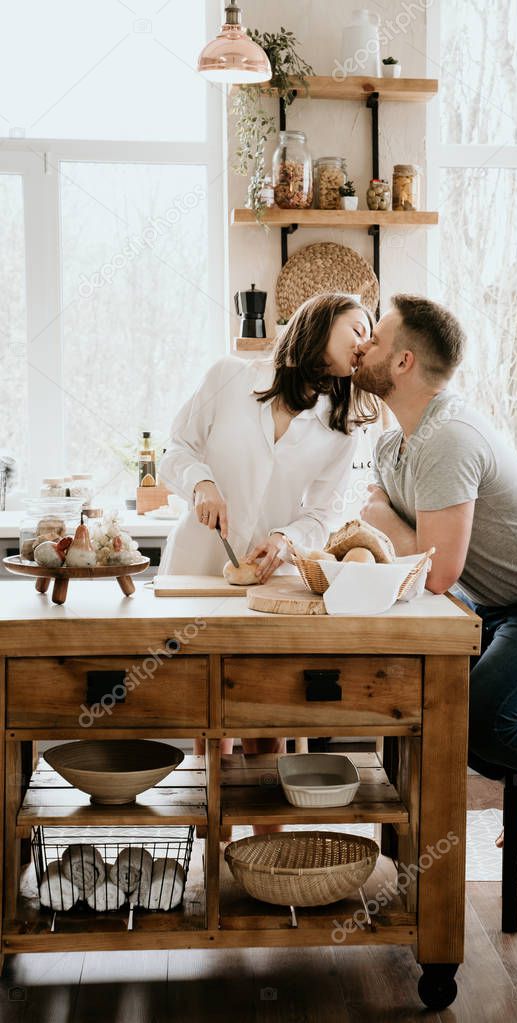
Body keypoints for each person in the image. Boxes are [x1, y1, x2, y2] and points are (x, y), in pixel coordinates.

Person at [353, 294, 517, 855]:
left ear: (402, 362)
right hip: (505, 605)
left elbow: (435, 573)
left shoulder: (447, 438)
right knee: (441, 705)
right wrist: (386, 529)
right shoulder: (393, 444)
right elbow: (408, 549)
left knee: (479, 715)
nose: (361, 347)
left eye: (373, 338)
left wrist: (378, 518)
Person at [158, 293, 378, 829]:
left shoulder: (343, 423)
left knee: (264, 706)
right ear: (320, 323)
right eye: (357, 328)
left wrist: (284, 538)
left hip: (270, 578)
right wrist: (201, 483)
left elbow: (321, 514)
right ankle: (210, 833)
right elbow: (174, 452)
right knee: (209, 714)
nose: (365, 342)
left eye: (370, 336)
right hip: (197, 567)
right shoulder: (229, 377)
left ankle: (266, 847)